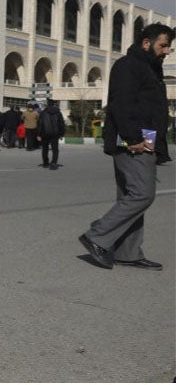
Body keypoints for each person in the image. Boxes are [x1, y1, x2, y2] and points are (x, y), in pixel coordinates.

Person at [79, 23, 174, 271]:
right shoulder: (128, 65)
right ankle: (97, 236)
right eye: (163, 45)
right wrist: (132, 139)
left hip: (145, 137)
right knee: (142, 194)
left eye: (169, 47)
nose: (167, 51)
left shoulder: (150, 68)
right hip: (133, 139)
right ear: (146, 43)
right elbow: (121, 104)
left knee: (130, 195)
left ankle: (128, 253)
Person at [36, 98, 65, 170]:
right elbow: (61, 123)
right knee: (55, 149)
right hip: (55, 134)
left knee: (45, 149)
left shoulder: (43, 113)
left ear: (47, 104)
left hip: (45, 133)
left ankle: (45, 163)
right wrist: (61, 133)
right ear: (53, 104)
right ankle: (54, 163)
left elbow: (40, 124)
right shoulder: (58, 113)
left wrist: (38, 134)